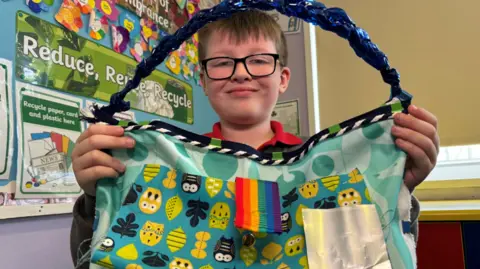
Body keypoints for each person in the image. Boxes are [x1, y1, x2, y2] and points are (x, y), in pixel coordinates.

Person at [70, 10, 440, 268]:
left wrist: (400, 187)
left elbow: (371, 252)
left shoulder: (326, 167)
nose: (241, 74)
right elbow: (107, 253)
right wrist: (95, 199)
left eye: (259, 60)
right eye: (222, 62)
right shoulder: (167, 163)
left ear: (283, 77)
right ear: (203, 80)